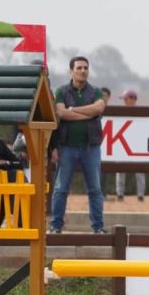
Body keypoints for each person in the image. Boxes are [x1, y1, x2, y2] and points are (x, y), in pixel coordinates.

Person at [49, 56, 106, 234]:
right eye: (79, 68)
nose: (83, 71)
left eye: (85, 68)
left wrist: (72, 110)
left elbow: (99, 108)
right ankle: (55, 226)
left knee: (95, 189)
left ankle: (97, 227)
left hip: (91, 147)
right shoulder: (61, 91)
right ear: (71, 71)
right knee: (60, 188)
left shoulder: (96, 91)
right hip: (66, 146)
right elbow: (61, 113)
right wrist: (87, 113)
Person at [115, 89, 145, 202]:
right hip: (123, 144)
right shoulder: (120, 112)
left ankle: (140, 195)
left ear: (133, 99)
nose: (125, 101)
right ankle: (119, 194)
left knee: (140, 170)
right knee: (120, 169)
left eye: (126, 99)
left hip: (137, 145)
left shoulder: (141, 113)